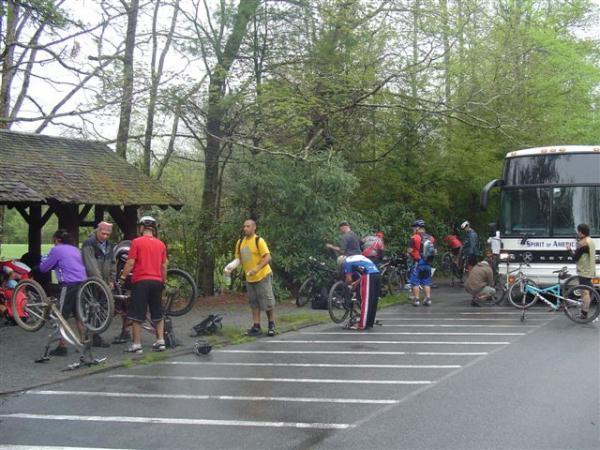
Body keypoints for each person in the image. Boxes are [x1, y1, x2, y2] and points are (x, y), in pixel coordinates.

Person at [119, 216, 168, 354]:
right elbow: (164, 266)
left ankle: (136, 344)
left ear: (141, 228)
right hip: (157, 281)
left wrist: (122, 277)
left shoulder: (136, 242)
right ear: (153, 229)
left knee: (137, 314)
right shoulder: (161, 244)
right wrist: (163, 281)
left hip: (141, 281)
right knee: (157, 312)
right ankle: (160, 341)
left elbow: (130, 262)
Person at [39, 229, 88, 356]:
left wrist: (41, 263)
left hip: (68, 284)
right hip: (82, 283)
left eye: (53, 241)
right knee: (79, 314)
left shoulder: (57, 249)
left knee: (62, 316)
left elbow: (44, 268)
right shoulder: (75, 249)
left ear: (57, 240)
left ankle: (62, 346)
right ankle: (83, 342)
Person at [224, 219, 276, 337]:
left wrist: (256, 269)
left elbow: (267, 258)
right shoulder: (241, 242)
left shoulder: (259, 241)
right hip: (250, 278)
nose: (245, 229)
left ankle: (271, 325)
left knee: (267, 302)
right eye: (244, 226)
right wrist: (230, 267)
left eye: (248, 226)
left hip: (262, 276)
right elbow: (240, 259)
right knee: (254, 303)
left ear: (254, 228)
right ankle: (256, 326)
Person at [81, 221, 116, 348]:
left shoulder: (109, 246)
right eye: (103, 233)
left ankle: (95, 335)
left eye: (108, 234)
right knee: (90, 309)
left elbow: (113, 263)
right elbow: (91, 266)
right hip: (92, 282)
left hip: (104, 283)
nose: (105, 236)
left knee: (101, 310)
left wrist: (111, 280)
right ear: (98, 231)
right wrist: (100, 282)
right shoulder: (89, 244)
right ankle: (88, 336)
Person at [339, 254, 381, 330]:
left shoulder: (346, 263)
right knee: (372, 300)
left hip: (369, 274)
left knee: (366, 301)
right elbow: (364, 274)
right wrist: (356, 283)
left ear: (342, 263)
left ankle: (362, 324)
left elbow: (349, 279)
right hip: (376, 274)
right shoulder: (354, 258)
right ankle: (368, 322)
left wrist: (345, 285)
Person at [566, 223, 597, 320]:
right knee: (588, 290)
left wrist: (569, 250)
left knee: (585, 292)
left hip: (584, 270)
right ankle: (586, 311)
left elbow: (575, 257)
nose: (577, 233)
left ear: (582, 232)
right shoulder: (590, 240)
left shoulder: (582, 243)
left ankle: (584, 313)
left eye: (578, 231)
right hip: (590, 269)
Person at [407, 219, 435, 306]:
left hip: (417, 262)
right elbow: (435, 251)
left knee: (415, 281)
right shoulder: (431, 238)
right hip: (428, 263)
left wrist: (408, 253)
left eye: (414, 228)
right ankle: (428, 299)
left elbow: (410, 250)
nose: (413, 229)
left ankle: (416, 300)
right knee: (426, 281)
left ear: (417, 228)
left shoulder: (414, 237)